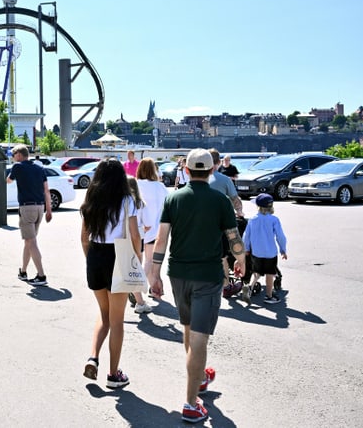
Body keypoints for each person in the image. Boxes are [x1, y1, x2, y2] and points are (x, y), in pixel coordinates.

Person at [148, 148, 247, 424]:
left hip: (178, 273)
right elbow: (233, 237)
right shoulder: (220, 201)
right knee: (200, 338)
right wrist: (241, 260)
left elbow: (160, 240)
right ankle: (191, 404)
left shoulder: (173, 198)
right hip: (208, 276)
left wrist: (154, 275)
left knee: (189, 329)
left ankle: (200, 376)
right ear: (213, 170)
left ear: (187, 171)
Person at [80, 158, 140, 389]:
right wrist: (136, 259)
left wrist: (91, 259)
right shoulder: (127, 200)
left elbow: (84, 238)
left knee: (103, 315)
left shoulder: (91, 199)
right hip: (118, 255)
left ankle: (92, 357)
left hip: (95, 255)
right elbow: (134, 235)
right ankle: (113, 374)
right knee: (117, 321)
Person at [6, 144, 52, 286]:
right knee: (29, 241)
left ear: (19, 155)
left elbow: (8, 181)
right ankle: (23, 271)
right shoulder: (39, 169)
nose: (13, 159)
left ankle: (41, 275)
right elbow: (47, 191)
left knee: (31, 242)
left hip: (27, 208)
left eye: (13, 156)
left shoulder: (18, 167)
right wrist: (49, 210)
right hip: (40, 208)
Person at [132, 158, 169, 314]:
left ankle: (143, 288)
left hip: (136, 228)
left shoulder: (134, 185)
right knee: (149, 261)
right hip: (155, 228)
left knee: (136, 260)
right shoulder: (160, 187)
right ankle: (143, 287)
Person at [207, 148, 245, 298]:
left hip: (201, 223)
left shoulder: (197, 180)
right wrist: (240, 212)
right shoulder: (224, 180)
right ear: (218, 163)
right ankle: (226, 286)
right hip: (220, 223)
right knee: (222, 256)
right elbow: (235, 199)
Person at [243, 193, 287, 304]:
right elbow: (280, 236)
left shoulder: (252, 220)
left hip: (256, 252)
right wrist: (283, 249)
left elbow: (246, 236)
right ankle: (269, 296)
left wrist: (246, 248)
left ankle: (249, 287)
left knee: (257, 272)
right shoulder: (274, 219)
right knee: (269, 274)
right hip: (270, 252)